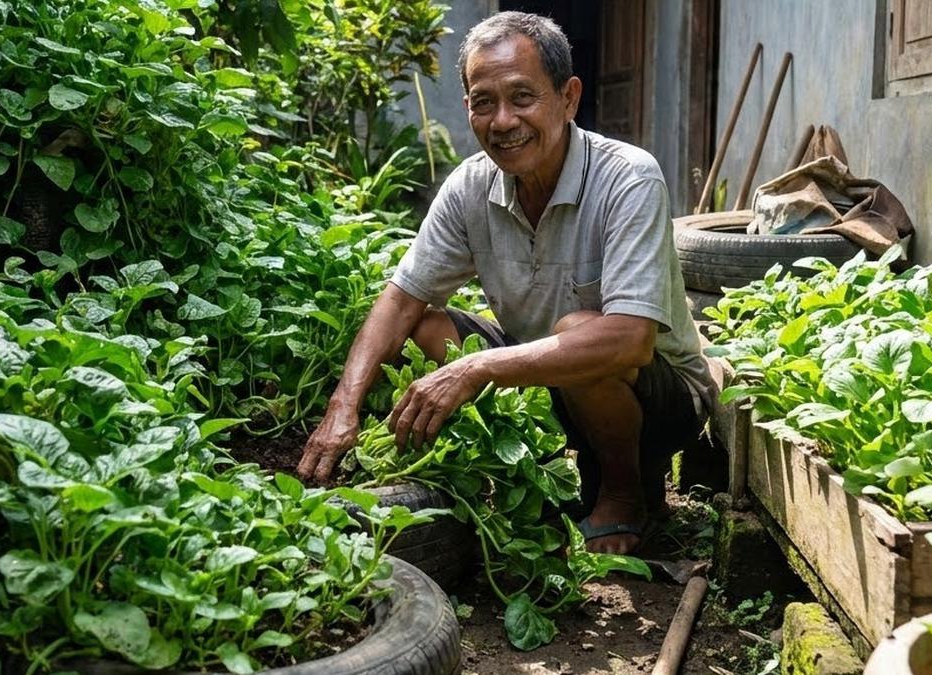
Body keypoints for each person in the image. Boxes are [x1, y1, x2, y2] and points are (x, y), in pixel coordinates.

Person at [297, 11, 717, 555]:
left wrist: (475, 367)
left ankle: (625, 494)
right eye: (482, 102)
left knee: (582, 330)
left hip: (662, 399)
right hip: (545, 381)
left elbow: (630, 340)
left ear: (567, 98)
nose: (502, 121)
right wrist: (342, 407)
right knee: (425, 328)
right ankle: (526, 475)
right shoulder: (471, 185)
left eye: (523, 97)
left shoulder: (628, 177)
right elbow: (401, 299)